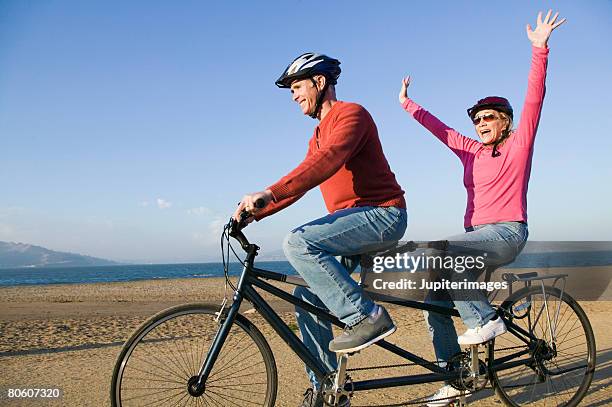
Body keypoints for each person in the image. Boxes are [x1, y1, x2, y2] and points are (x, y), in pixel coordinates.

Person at [397, 10, 565, 407]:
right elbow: (442, 130)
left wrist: (539, 49)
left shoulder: (517, 144)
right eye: (477, 119)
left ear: (506, 122)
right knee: (434, 301)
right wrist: (407, 105)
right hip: (476, 239)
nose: (481, 122)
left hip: (506, 232)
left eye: (490, 117)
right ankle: (456, 378)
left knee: (445, 251)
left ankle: (485, 319)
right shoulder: (471, 151)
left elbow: (534, 98)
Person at [233, 52, 407, 407]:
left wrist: (267, 193)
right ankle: (329, 388)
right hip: (353, 226)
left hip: (382, 215)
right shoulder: (316, 136)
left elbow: (328, 162)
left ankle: (367, 317)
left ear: (320, 82)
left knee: (298, 242)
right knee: (306, 298)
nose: (295, 96)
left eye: (297, 87)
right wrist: (257, 213)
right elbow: (304, 178)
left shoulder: (352, 115)